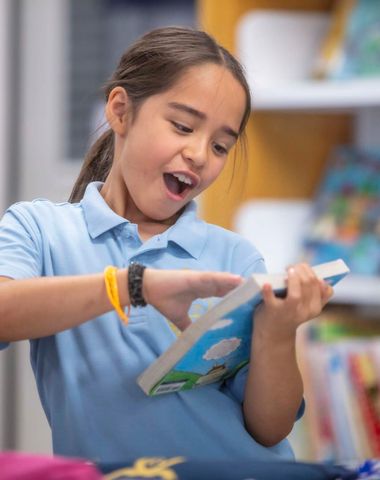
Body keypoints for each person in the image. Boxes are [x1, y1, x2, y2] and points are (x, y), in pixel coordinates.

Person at [0, 27, 332, 463]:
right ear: (121, 111)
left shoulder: (234, 257)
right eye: (182, 126)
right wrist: (134, 286)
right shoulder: (40, 229)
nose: (199, 154)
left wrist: (278, 332)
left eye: (219, 146)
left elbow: (270, 429)